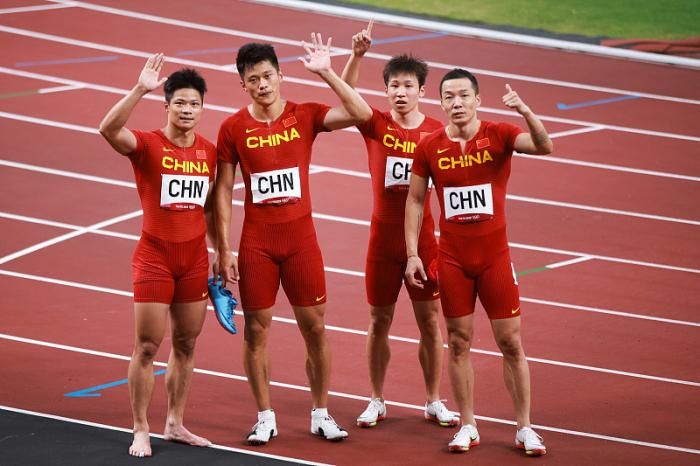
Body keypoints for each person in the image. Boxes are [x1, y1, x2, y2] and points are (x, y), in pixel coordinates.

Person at [214, 34, 372, 445]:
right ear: (243, 84)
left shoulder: (305, 114)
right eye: (253, 79)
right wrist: (223, 249)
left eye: (268, 76)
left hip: (301, 241)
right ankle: (264, 417)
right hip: (257, 244)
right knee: (256, 331)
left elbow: (361, 112)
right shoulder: (232, 128)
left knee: (315, 328)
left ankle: (321, 412)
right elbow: (222, 191)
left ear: (281, 76)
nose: (262, 84)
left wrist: (327, 72)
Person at [404, 68, 553, 456]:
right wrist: (412, 254)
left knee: (511, 342)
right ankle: (468, 424)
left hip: (495, 259)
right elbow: (416, 201)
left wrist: (525, 111)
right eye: (449, 97)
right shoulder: (430, 146)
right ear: (441, 102)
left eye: (463, 96)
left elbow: (544, 146)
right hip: (453, 260)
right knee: (458, 342)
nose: (457, 103)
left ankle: (525, 428)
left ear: (477, 100)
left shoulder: (500, 134)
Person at [340, 22, 458, 428]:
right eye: (394, 85)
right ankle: (376, 398)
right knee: (379, 321)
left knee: (430, 322)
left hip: (424, 242)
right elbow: (346, 95)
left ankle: (433, 400)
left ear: (422, 91)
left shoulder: (437, 133)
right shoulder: (375, 124)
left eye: (408, 86)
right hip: (382, 242)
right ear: (386, 90)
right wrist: (356, 55)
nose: (401, 92)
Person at [98, 54, 216, 457]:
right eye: (179, 102)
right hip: (154, 258)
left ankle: (175, 423)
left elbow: (210, 209)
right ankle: (140, 428)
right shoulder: (147, 145)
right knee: (147, 346)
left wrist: (222, 251)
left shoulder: (209, 152)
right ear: (166, 106)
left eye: (194, 103)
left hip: (194, 260)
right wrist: (139, 89)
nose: (187, 110)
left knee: (186, 344)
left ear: (202, 108)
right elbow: (108, 129)